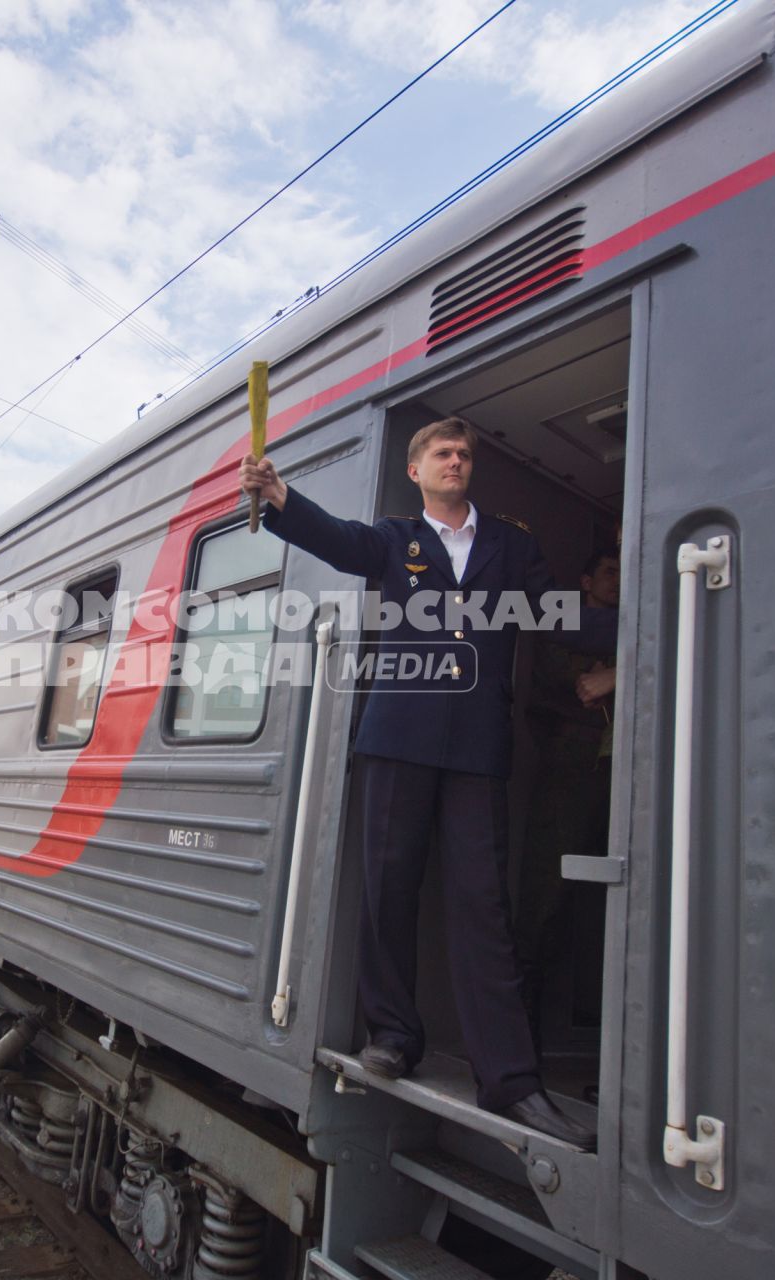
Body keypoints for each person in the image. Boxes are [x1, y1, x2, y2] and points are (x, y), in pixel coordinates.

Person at [239, 417, 613, 1151]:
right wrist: (280, 495)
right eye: (442, 453)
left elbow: (558, 618)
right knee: (389, 886)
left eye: (465, 453)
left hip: (477, 749)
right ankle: (395, 1033)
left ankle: (511, 1080)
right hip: (397, 741)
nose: (455, 460)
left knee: (483, 906)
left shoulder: (512, 546)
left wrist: (650, 616)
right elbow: (340, 541)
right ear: (416, 470)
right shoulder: (394, 538)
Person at [516, 547, 620, 1053]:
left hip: (615, 769)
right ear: (585, 581)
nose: (618, 580)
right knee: (547, 890)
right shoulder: (565, 624)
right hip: (568, 769)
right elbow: (571, 687)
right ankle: (524, 1022)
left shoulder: (640, 626)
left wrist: (614, 676)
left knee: (605, 898)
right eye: (608, 570)